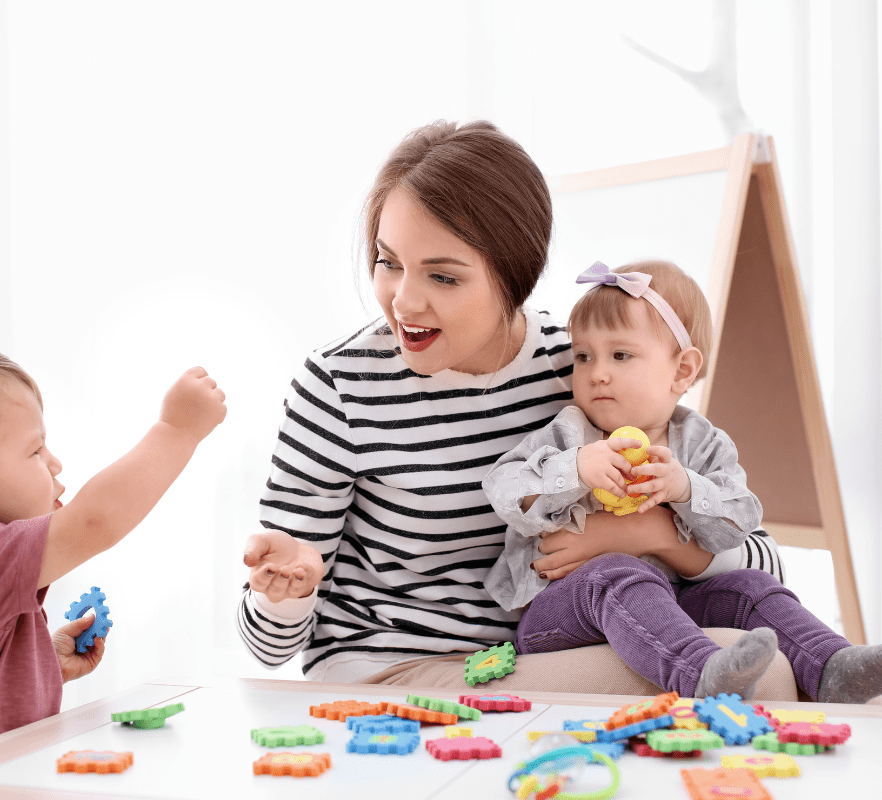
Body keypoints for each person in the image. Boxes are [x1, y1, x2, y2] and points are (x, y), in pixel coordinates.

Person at [236, 120, 787, 692]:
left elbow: (763, 563)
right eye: (387, 261)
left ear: (514, 279)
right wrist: (286, 592)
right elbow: (267, 648)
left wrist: (647, 536)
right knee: (754, 675)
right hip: (389, 672)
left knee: (761, 662)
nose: (403, 300)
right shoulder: (339, 384)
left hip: (528, 655)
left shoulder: (583, 369)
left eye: (443, 276)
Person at [483, 259, 882, 702]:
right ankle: (699, 673)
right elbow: (502, 488)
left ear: (683, 371)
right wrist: (575, 468)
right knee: (618, 574)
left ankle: (832, 666)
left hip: (672, 605)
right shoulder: (570, 433)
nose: (597, 372)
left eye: (621, 355)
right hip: (561, 612)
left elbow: (741, 521)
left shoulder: (702, 443)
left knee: (753, 588)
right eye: (583, 356)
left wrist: (687, 489)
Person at [0, 343, 227, 769]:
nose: (56, 463)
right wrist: (177, 430)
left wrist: (39, 661)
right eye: (36, 451)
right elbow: (94, 521)